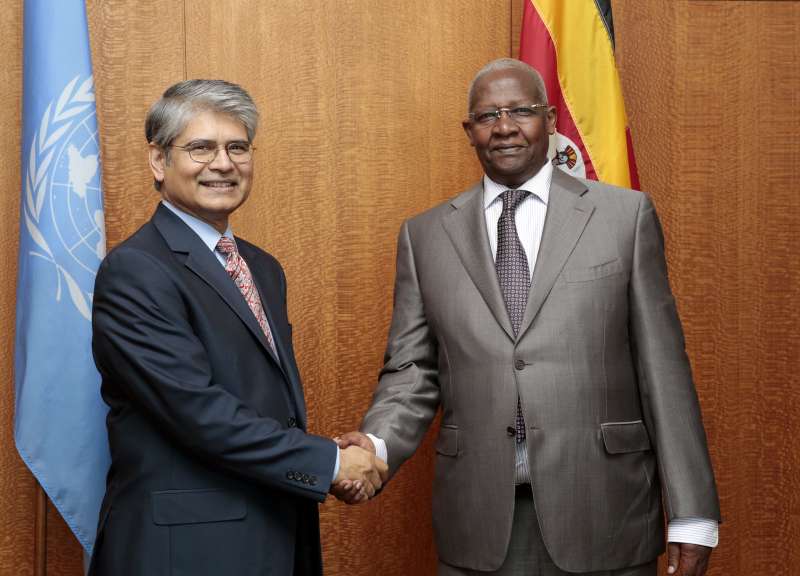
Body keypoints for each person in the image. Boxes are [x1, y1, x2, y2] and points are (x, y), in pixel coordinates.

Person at [337, 59, 720, 576]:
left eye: (522, 110)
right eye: (487, 115)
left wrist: (692, 514)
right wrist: (376, 446)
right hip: (479, 517)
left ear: (552, 119)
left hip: (605, 509)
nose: (505, 126)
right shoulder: (424, 236)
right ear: (469, 131)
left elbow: (663, 373)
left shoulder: (624, 218)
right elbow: (412, 371)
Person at [88, 79, 386, 576]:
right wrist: (329, 464)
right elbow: (198, 412)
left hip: (273, 532)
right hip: (185, 552)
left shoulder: (262, 268)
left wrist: (326, 454)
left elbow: (260, 403)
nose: (223, 164)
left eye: (237, 147)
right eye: (201, 148)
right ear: (159, 162)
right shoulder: (136, 270)